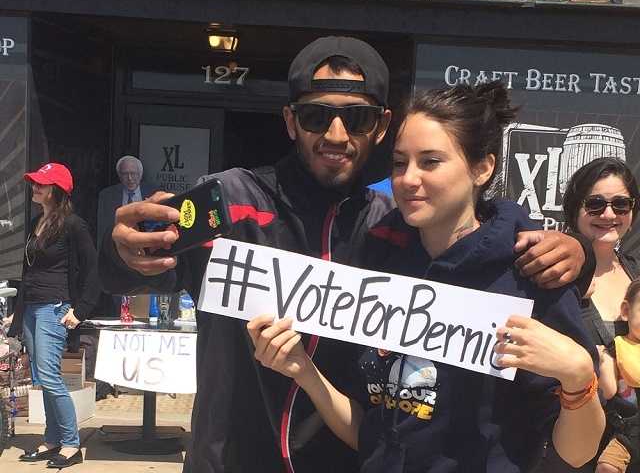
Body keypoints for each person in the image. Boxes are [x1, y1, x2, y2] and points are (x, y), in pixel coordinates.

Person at [99, 38, 590, 473]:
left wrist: (576, 249)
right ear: (291, 121)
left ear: (380, 126)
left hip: (347, 457)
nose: (335, 134)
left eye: (355, 117)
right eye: (316, 115)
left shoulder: (391, 225)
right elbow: (139, 271)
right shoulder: (230, 199)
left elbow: (474, 231)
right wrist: (123, 252)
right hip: (231, 458)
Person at [248, 81, 605, 472]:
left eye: (430, 161)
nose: (408, 179)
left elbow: (577, 453)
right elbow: (370, 436)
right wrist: (304, 370)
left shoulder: (530, 274)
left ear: (482, 168)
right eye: (400, 163)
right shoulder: (381, 264)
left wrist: (578, 376)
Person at [8, 162, 100, 469]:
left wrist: (80, 310)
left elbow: (92, 272)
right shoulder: (37, 222)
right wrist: (18, 315)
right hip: (34, 308)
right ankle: (52, 438)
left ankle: (71, 444)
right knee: (41, 379)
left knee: (50, 378)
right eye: (35, 183)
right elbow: (29, 272)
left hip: (54, 307)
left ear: (56, 191)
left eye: (41, 184)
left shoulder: (74, 225)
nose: (35, 187)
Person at [563, 157, 640, 473]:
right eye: (595, 204)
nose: (609, 214)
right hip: (573, 448)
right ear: (574, 208)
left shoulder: (636, 273)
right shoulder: (555, 281)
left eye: (620, 204)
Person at [597, 278, 640, 473]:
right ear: (626, 311)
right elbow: (608, 391)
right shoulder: (617, 348)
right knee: (607, 466)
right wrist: (605, 360)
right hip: (629, 430)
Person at [97, 155, 157, 248]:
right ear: (119, 176)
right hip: (117, 247)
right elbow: (102, 229)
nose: (130, 178)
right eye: (125, 174)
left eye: (133, 173)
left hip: (146, 246)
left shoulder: (153, 193)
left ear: (140, 175)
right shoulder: (107, 195)